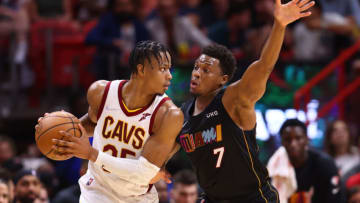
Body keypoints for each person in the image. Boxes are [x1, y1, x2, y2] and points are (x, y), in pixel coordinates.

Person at [173, 0, 315, 202]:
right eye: (196, 67)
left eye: (206, 70)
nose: (196, 74)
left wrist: (279, 26)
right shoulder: (182, 115)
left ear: (222, 80)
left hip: (252, 198)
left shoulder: (233, 100)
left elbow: (264, 66)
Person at [36, 40, 183, 203]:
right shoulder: (101, 93)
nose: (169, 75)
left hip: (136, 198)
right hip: (95, 193)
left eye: (169, 69)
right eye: (163, 69)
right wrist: (54, 128)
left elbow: (144, 173)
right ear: (141, 69)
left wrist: (92, 154)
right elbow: (90, 125)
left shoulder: (169, 114)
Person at [272, 119, 341, 203]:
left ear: (307, 139)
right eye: (288, 139)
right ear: (282, 142)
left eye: (298, 138)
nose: (293, 144)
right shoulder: (275, 167)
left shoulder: (325, 164)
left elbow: (337, 198)